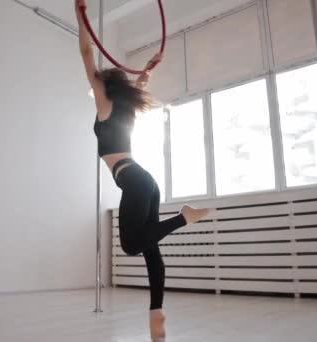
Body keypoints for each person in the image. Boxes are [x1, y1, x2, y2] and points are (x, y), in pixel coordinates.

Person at [75, 1, 210, 340]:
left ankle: (184, 217)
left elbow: (87, 53)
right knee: (151, 251)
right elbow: (142, 80)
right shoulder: (127, 107)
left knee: (132, 247)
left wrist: (81, 17)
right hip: (144, 179)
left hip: (132, 180)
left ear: (104, 86)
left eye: (96, 85)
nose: (93, 88)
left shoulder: (104, 104)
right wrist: (148, 67)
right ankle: (157, 315)